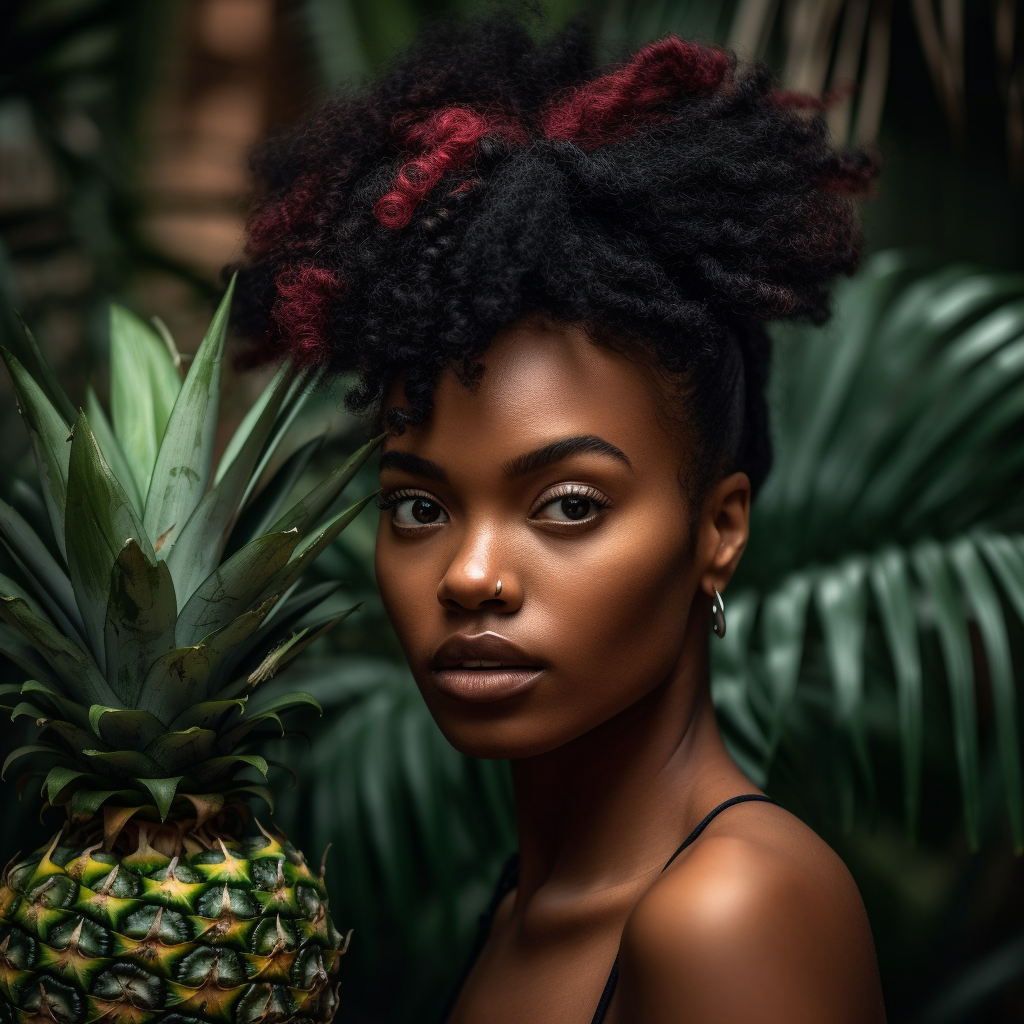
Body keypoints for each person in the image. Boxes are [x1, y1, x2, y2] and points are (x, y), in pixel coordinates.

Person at [232, 13, 887, 1023]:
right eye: (418, 505)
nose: (468, 574)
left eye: (568, 505)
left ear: (718, 530)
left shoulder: (730, 913)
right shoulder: (526, 905)